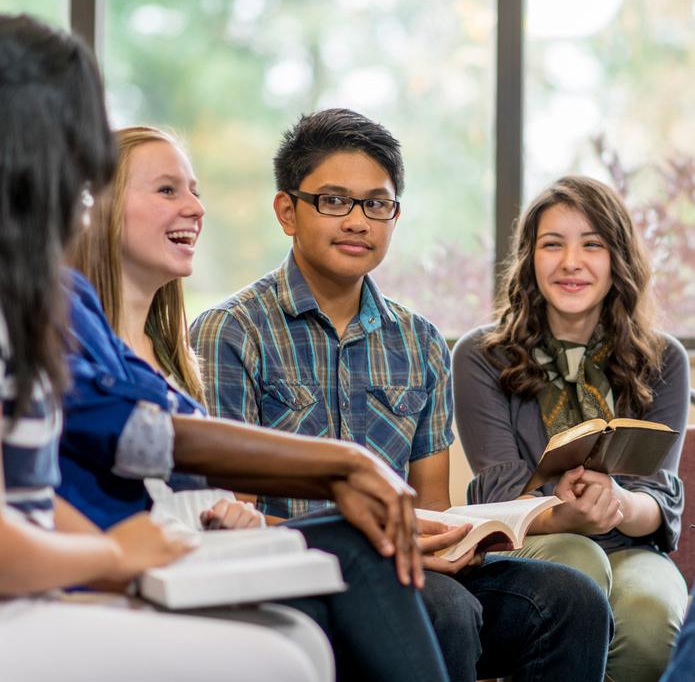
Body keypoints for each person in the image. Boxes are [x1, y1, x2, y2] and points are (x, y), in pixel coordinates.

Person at [190, 108, 614, 681]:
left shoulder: (419, 341)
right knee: (446, 612)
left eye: (377, 204)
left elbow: (428, 504)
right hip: (293, 572)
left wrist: (454, 539)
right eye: (334, 201)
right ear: (287, 211)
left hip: (408, 565)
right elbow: (230, 516)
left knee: (572, 598)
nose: (358, 221)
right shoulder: (232, 331)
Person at [64, 124, 453, 682]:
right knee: (356, 555)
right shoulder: (74, 318)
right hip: (141, 566)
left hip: (193, 553)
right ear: (97, 204)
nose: (197, 207)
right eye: (168, 190)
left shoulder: (171, 348)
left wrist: (231, 513)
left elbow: (187, 478)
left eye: (194, 190)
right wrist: (342, 467)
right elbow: (144, 437)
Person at [0, 13, 324, 682]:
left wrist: (117, 563)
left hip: (43, 581)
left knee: (298, 639)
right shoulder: (61, 308)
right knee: (280, 662)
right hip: (19, 600)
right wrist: (111, 561)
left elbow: (27, 495)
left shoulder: (25, 302)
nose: (89, 165)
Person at [453, 175, 689, 682]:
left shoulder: (664, 358)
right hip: (531, 541)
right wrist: (566, 514)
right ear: (528, 258)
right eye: (552, 245)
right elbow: (497, 490)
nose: (571, 263)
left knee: (652, 619)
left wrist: (617, 504)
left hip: (629, 544)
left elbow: (660, 496)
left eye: (592, 245)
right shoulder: (479, 356)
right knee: (576, 564)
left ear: (617, 260)